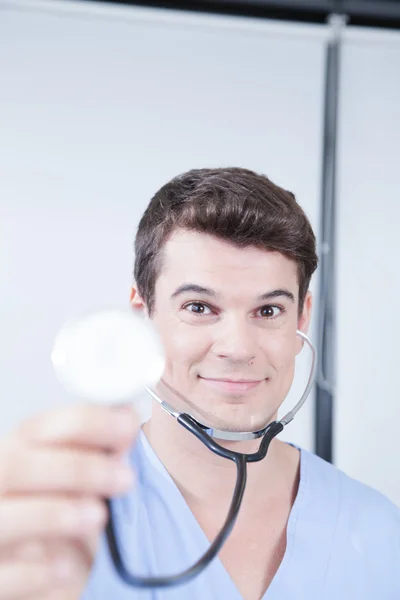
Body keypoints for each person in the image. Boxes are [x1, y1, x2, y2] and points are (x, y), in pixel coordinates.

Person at [0, 168, 399, 600]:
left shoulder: (378, 530)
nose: (238, 348)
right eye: (199, 306)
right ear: (142, 311)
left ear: (302, 317)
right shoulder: (54, 522)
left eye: (268, 311)